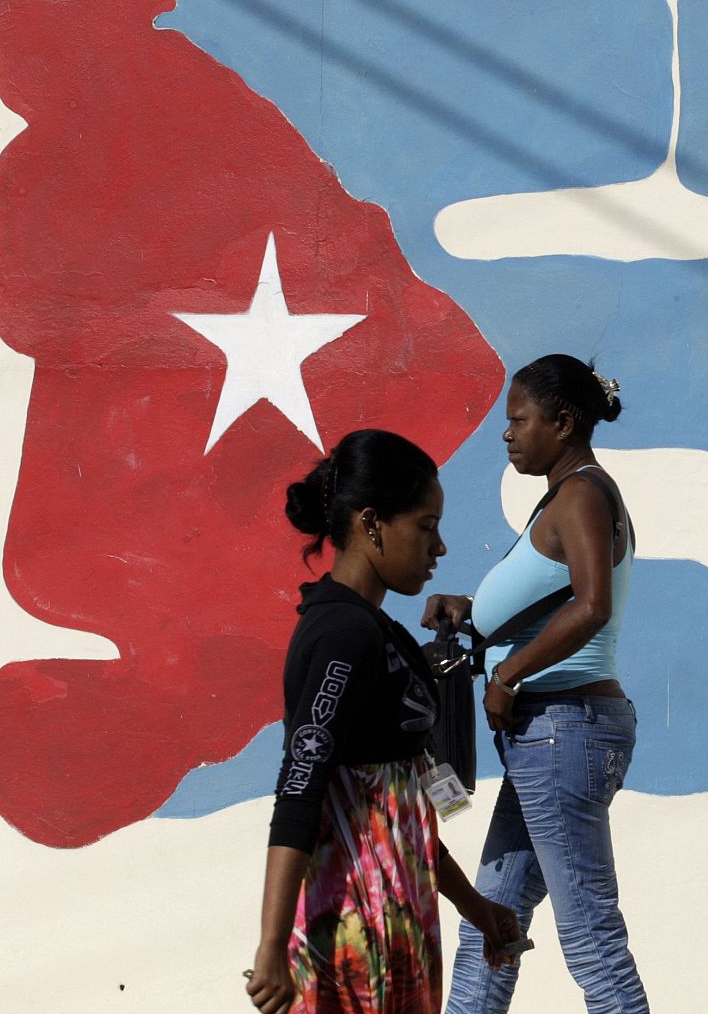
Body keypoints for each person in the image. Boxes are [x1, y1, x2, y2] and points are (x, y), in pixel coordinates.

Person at [247, 429, 521, 1014]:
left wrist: (474, 906)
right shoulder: (342, 635)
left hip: (397, 918)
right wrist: (272, 947)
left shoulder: (381, 632)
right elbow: (300, 786)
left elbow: (402, 809)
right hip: (352, 928)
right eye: (426, 526)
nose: (439, 547)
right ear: (372, 524)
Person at [425, 355, 649, 1014]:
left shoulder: (580, 492)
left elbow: (591, 603)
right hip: (553, 735)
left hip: (561, 730)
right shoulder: (565, 494)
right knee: (491, 923)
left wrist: (508, 673)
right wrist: (469, 610)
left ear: (564, 421)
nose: (507, 433)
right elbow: (549, 604)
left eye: (519, 419)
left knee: (592, 943)